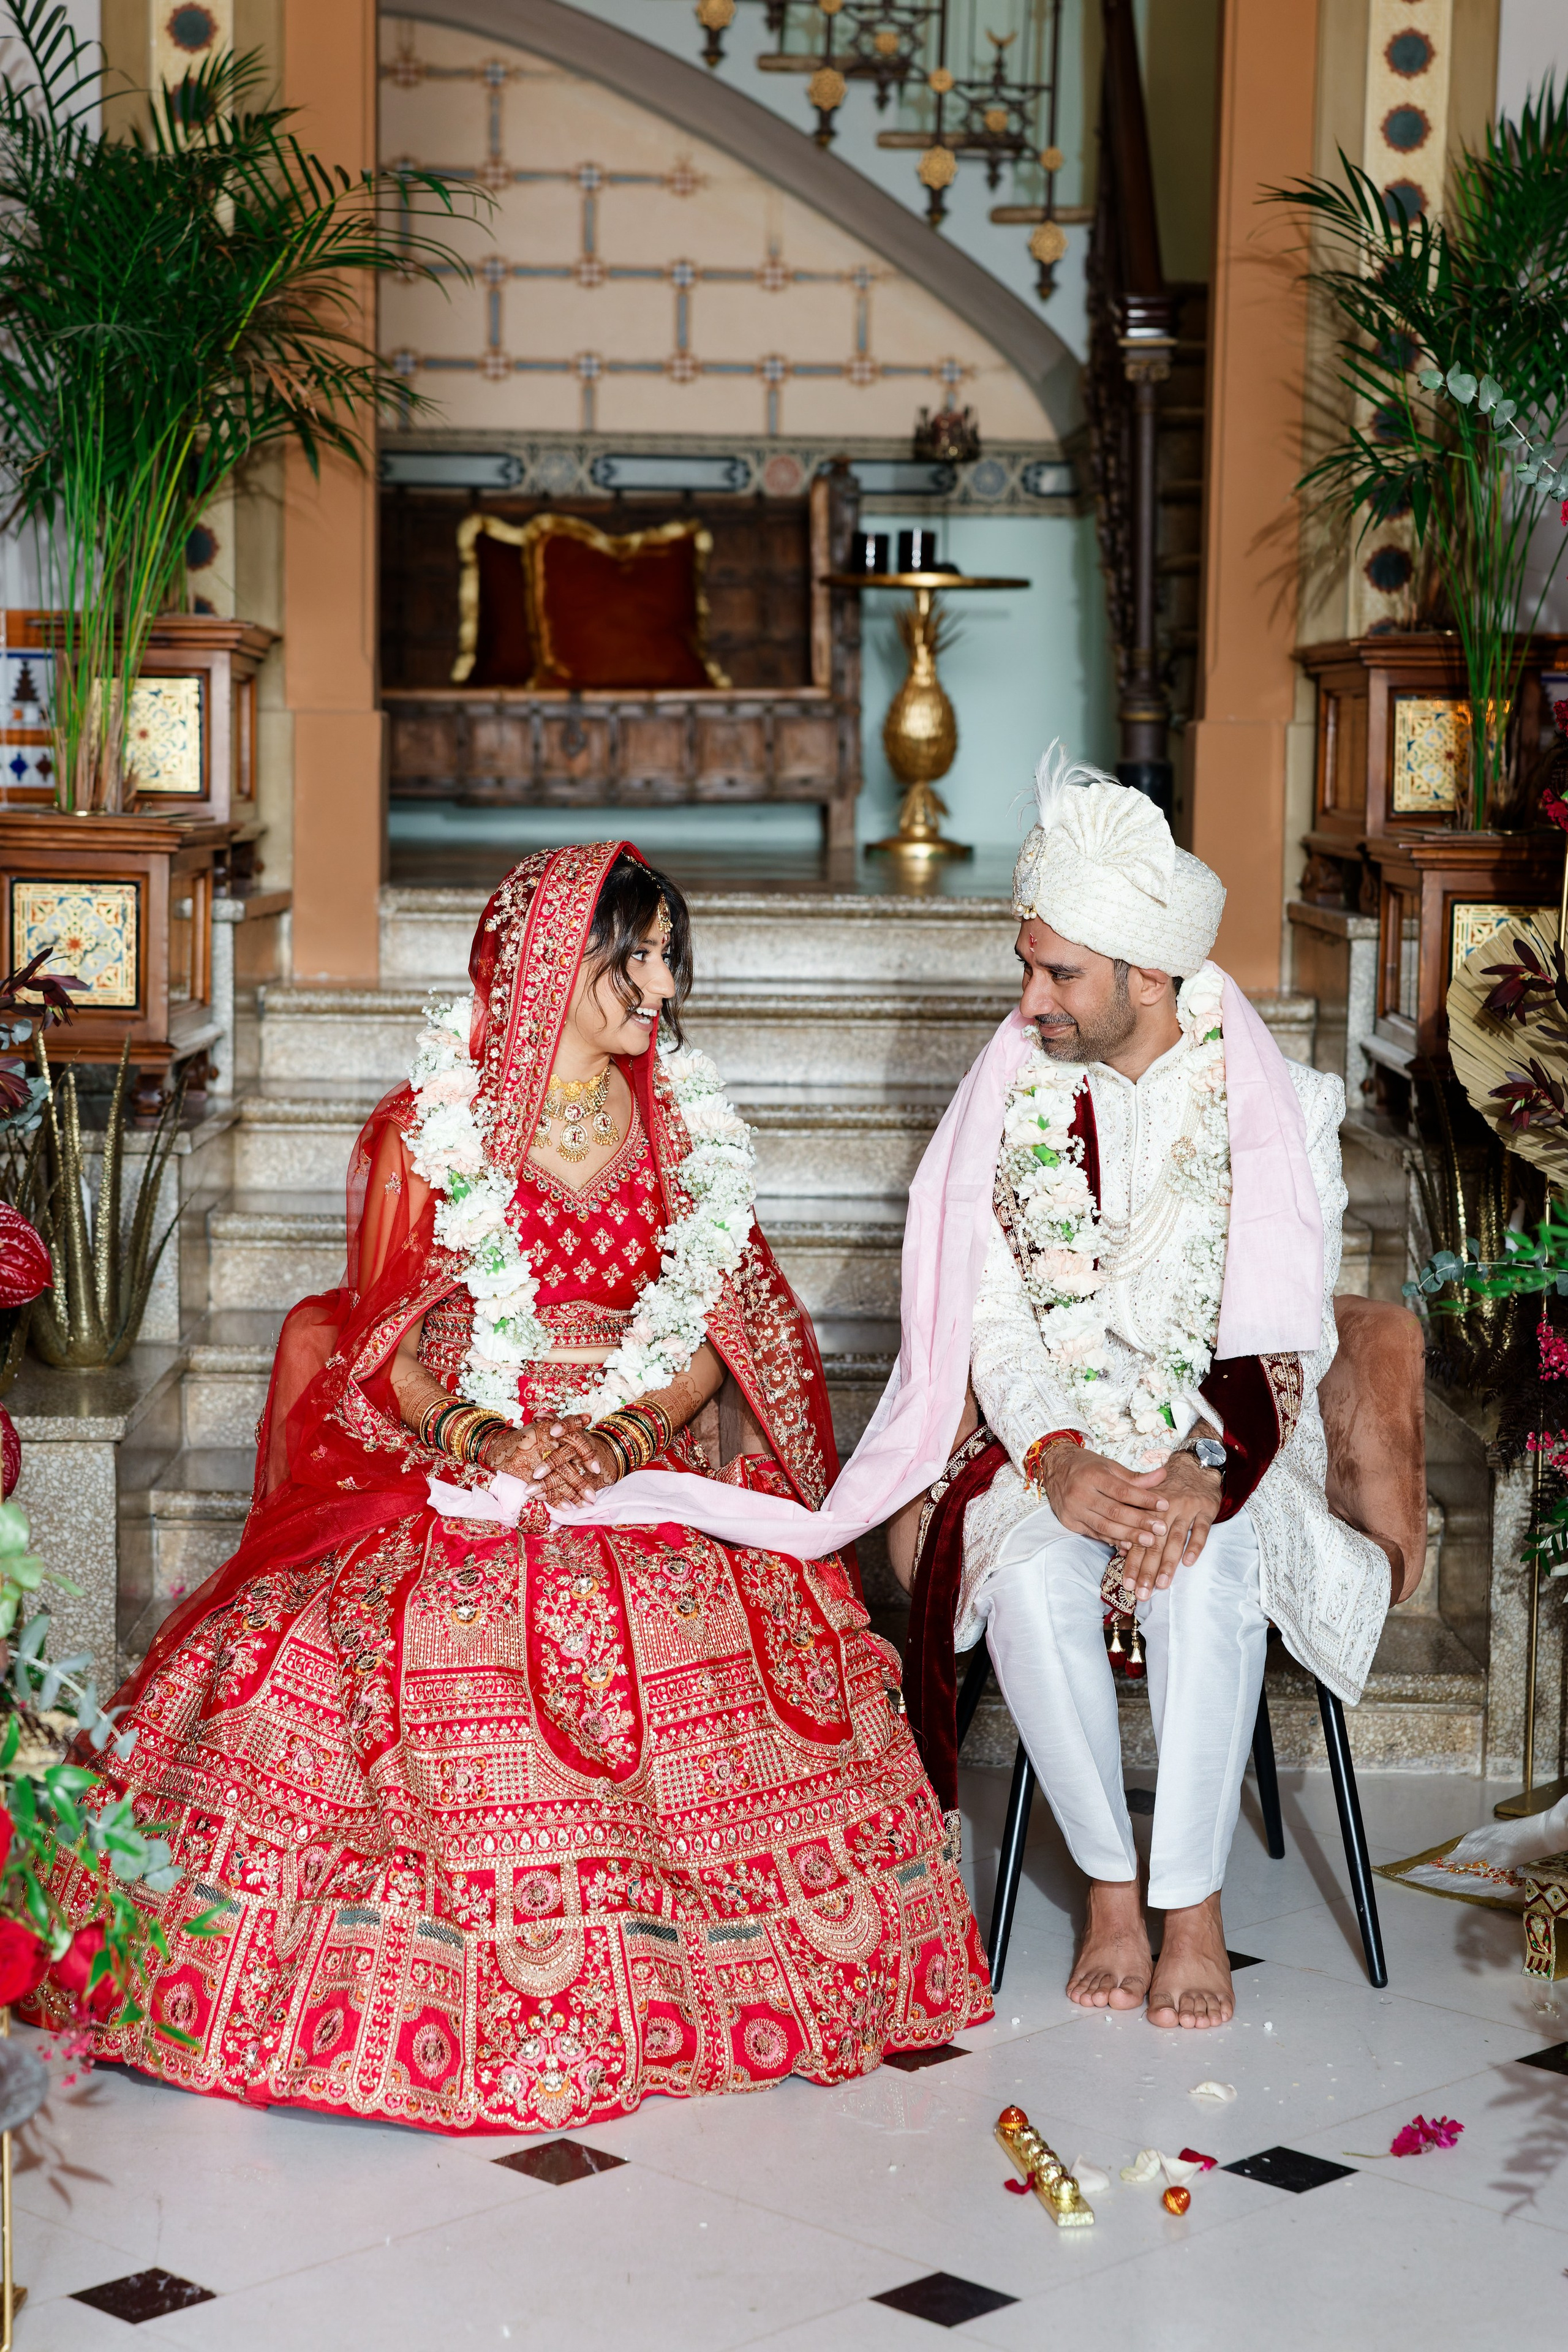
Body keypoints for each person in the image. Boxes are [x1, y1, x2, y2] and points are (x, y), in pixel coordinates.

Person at [34, 841, 988, 2133]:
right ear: (551, 960)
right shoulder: (433, 1124)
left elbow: (726, 1327)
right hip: (469, 1444)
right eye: (633, 955)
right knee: (373, 1634)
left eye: (667, 958)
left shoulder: (679, 1118)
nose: (658, 986)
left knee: (704, 1620)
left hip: (632, 1447)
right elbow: (377, 1342)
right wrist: (488, 1439)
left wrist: (628, 1437)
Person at [892, 750, 1396, 2030]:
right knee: (1031, 1575)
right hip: (1048, 1435)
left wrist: (1198, 1465)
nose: (1029, 996)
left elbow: (1286, 1330)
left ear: (1145, 975)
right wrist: (1056, 1456)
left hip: (1227, 1438)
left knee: (1207, 1570)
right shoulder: (1014, 1091)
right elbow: (990, 1318)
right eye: (1028, 964)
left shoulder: (1276, 1106)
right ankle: (1109, 1896)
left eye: (1056, 972)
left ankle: (1192, 1909)